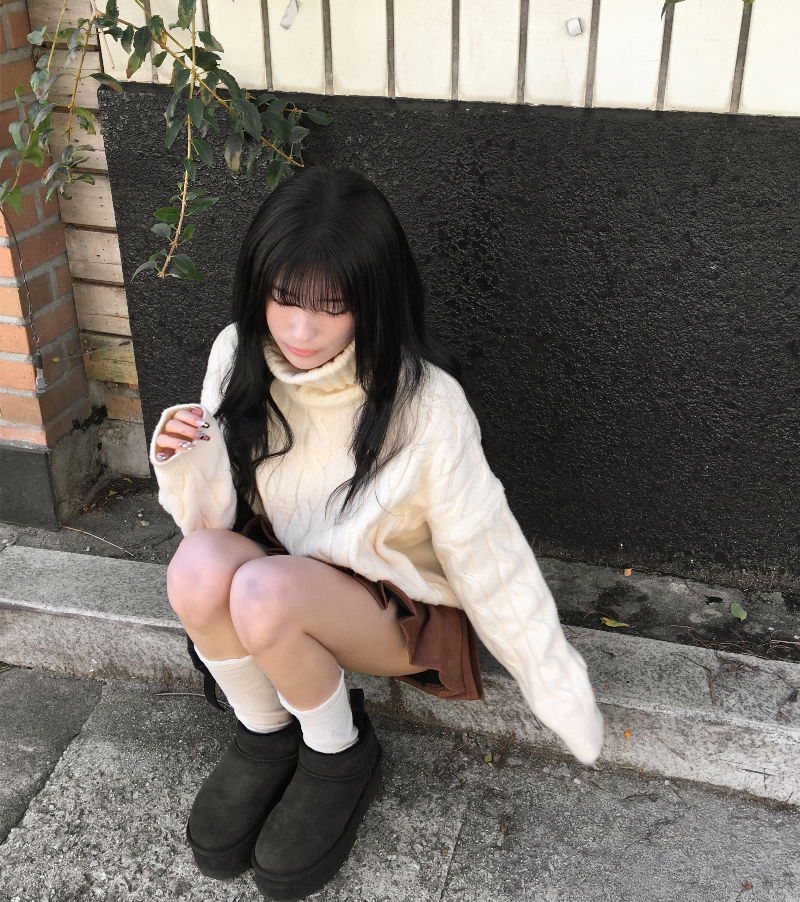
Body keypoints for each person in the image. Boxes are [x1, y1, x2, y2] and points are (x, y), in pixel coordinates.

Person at [149, 166, 604, 900]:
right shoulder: (237, 352)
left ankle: (339, 754)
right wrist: (189, 460)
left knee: (263, 590)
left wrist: (556, 685)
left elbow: (488, 553)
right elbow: (209, 525)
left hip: (391, 607)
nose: (300, 331)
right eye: (284, 298)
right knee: (197, 567)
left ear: (374, 298)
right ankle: (265, 734)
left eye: (332, 307)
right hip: (283, 572)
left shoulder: (428, 405)